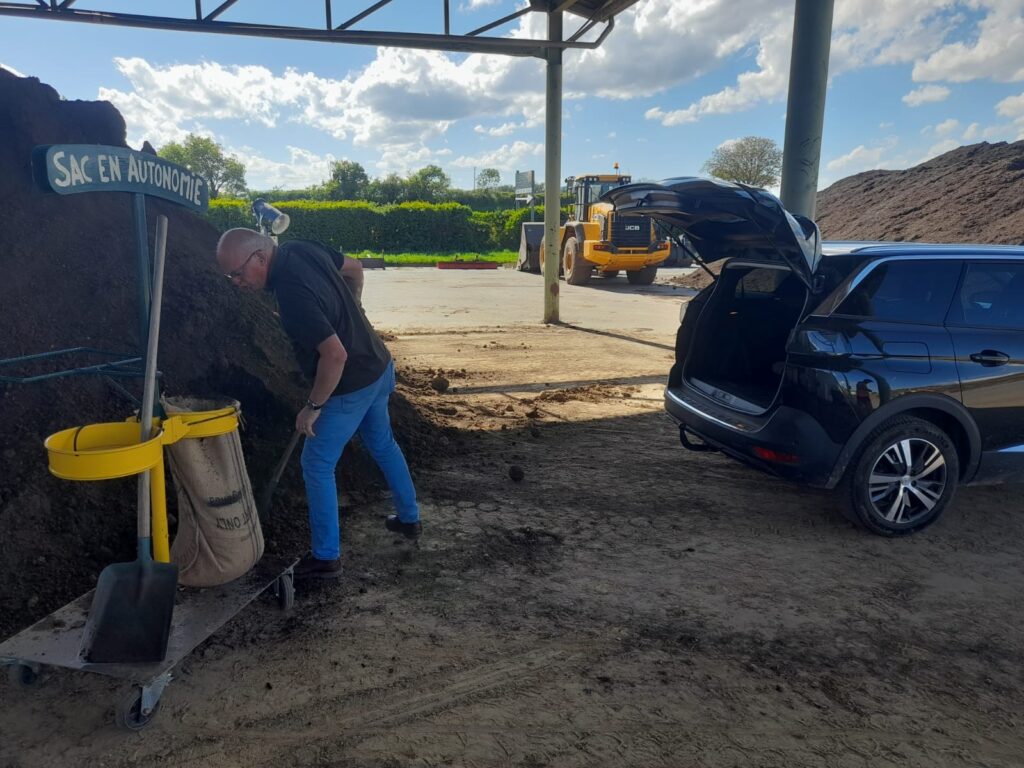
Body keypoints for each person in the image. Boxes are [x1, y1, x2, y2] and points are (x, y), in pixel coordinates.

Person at [216, 228, 421, 580]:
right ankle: (409, 519)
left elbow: (335, 356)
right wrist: (354, 307)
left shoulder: (291, 297)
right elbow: (355, 268)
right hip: (379, 365)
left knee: (316, 463)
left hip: (352, 383)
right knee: (382, 442)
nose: (235, 282)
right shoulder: (301, 246)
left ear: (260, 258)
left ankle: (326, 558)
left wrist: (312, 406)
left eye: (237, 273)